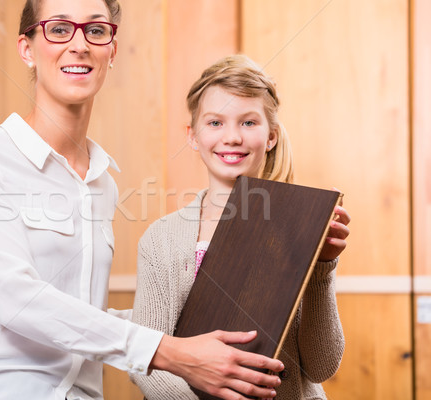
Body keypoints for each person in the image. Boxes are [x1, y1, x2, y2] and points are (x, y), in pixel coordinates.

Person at [0, 2, 284, 400]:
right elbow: (18, 300)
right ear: (27, 48)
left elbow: (76, 311)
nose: (78, 44)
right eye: (59, 29)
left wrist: (180, 314)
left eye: (95, 30)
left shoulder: (101, 184)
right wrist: (170, 351)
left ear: (111, 51)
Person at [130, 54, 350, 400]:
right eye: (215, 123)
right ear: (192, 136)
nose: (232, 137)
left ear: (272, 136)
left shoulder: (302, 222)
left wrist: (323, 267)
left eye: (248, 123)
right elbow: (147, 360)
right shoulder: (161, 240)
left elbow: (321, 367)